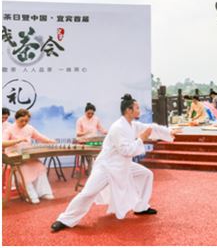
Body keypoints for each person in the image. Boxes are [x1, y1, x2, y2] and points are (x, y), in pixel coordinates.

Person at [51, 94, 180, 232]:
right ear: (129, 110)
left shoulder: (132, 125)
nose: (139, 110)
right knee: (88, 192)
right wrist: (141, 139)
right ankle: (64, 219)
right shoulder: (118, 127)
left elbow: (150, 128)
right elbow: (126, 150)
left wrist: (168, 131)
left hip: (122, 165)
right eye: (137, 108)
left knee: (146, 174)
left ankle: (141, 207)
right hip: (107, 167)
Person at [2, 109, 57, 203]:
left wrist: (50, 141)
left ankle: (44, 192)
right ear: (16, 119)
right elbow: (3, 143)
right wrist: (17, 141)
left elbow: (39, 137)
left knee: (39, 167)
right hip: (15, 158)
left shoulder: (29, 128)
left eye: (26, 121)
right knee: (24, 169)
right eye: (21, 121)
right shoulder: (9, 129)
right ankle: (30, 195)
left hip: (27, 156)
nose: (24, 123)